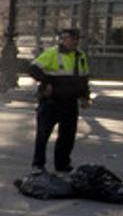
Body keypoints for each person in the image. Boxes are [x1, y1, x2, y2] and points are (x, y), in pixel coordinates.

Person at [29, 27, 91, 174]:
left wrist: (85, 97)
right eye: (69, 38)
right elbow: (33, 69)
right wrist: (46, 83)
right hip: (51, 101)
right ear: (62, 39)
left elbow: (84, 79)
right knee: (43, 135)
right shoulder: (52, 53)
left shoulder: (80, 56)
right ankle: (38, 164)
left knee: (67, 136)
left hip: (70, 102)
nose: (73, 42)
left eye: (75, 39)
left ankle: (62, 164)